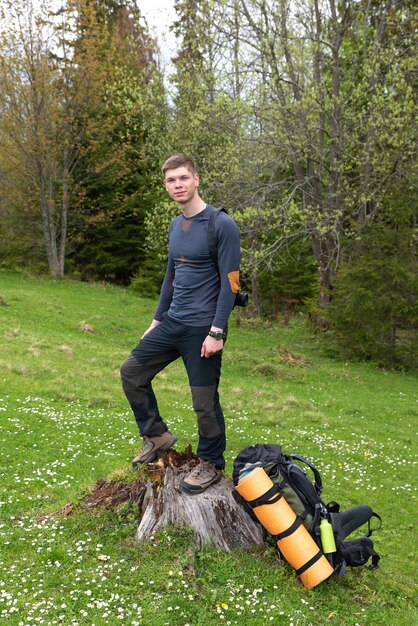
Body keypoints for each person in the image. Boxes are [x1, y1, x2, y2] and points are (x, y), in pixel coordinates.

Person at [120, 154, 241, 494]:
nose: (178, 185)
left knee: (204, 401)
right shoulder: (176, 226)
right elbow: (171, 278)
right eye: (172, 180)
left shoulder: (221, 224)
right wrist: (157, 320)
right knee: (131, 372)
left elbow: (231, 283)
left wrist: (217, 331)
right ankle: (157, 435)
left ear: (196, 179)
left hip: (203, 328)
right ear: (166, 185)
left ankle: (211, 463)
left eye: (183, 178)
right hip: (173, 322)